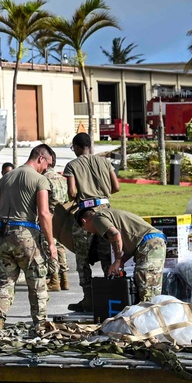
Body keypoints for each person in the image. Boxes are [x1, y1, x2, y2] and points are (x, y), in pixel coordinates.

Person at [0, 144, 57, 331]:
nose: (47, 169)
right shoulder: (39, 180)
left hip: (3, 234)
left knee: (5, 282)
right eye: (48, 164)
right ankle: (40, 325)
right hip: (27, 236)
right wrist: (51, 243)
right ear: (41, 158)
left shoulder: (5, 179)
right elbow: (44, 213)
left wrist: (6, 227)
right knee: (37, 280)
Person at [63, 132, 120, 312]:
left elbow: (72, 193)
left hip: (86, 214)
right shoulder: (105, 162)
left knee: (82, 259)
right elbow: (116, 187)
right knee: (106, 256)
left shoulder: (72, 165)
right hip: (106, 212)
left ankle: (88, 299)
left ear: (78, 147)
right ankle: (109, 295)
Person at [75, 207, 167, 303]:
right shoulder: (107, 215)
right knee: (143, 285)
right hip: (149, 244)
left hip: (150, 244)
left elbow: (115, 234)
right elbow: (131, 243)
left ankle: (151, 315)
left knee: (148, 291)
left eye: (85, 229)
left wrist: (117, 260)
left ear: (84, 221)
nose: (90, 232)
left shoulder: (97, 218)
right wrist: (122, 261)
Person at [44, 159, 70, 292]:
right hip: (62, 216)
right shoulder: (62, 179)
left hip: (49, 216)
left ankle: (54, 280)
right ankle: (65, 278)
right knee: (60, 247)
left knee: (50, 247)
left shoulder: (43, 179)